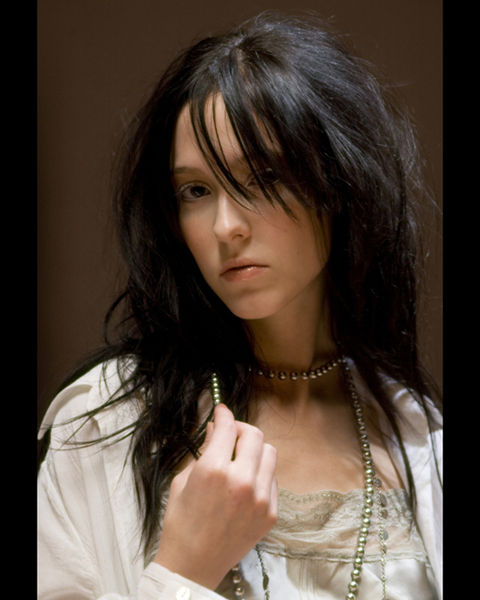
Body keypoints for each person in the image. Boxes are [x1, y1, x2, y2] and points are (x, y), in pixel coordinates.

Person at [37, 12, 442, 600]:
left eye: (263, 177)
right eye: (196, 191)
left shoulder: (419, 436)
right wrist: (183, 571)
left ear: (341, 185)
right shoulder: (104, 424)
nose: (225, 226)